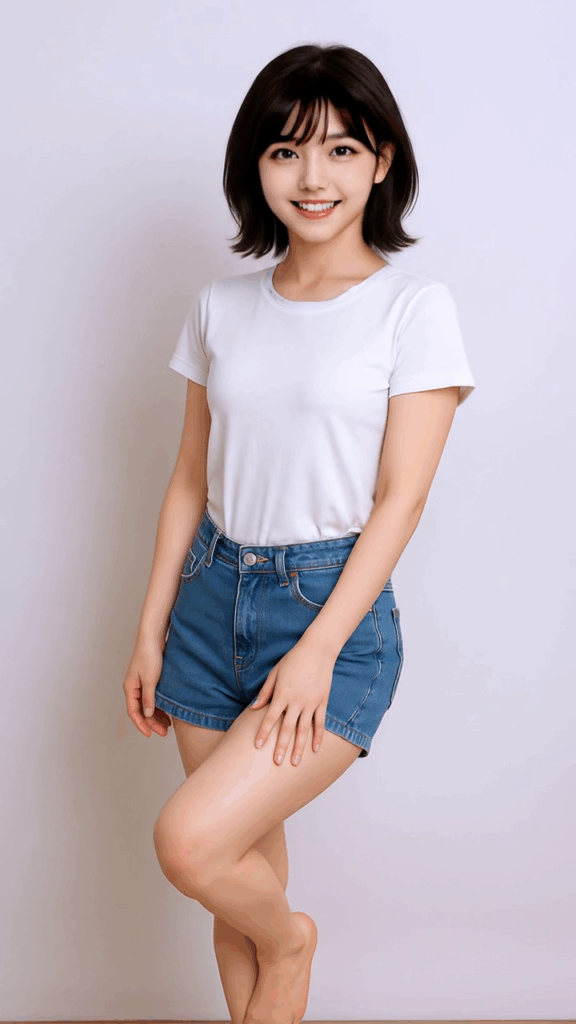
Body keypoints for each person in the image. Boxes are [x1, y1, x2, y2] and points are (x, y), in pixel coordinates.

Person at [122, 42, 476, 1024]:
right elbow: (188, 479)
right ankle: (272, 968)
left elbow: (401, 499)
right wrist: (149, 629)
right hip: (207, 604)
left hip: (329, 613)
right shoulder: (220, 305)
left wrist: (317, 649)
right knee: (232, 878)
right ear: (257, 166)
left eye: (340, 150)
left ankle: (292, 942)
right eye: (285, 151)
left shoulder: (414, 308)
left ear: (382, 160)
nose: (312, 177)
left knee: (192, 844)